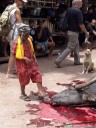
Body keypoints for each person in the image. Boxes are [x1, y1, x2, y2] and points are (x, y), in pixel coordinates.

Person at [11, 24, 49, 101]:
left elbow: (32, 51)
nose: (27, 36)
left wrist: (35, 59)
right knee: (23, 78)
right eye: (25, 35)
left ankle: (41, 92)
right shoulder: (16, 43)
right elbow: (14, 54)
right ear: (20, 34)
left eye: (28, 34)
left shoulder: (28, 40)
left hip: (31, 61)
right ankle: (23, 94)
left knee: (37, 74)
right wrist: (24, 58)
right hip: (22, 64)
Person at [55, 0, 89, 68]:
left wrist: (64, 31)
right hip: (74, 32)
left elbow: (65, 21)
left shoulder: (69, 10)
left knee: (76, 46)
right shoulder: (78, 11)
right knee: (70, 47)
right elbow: (81, 24)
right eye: (81, 2)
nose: (82, 3)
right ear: (77, 3)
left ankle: (77, 61)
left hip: (70, 31)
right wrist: (86, 32)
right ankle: (58, 60)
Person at [6, 0, 27, 78]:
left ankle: (15, 69)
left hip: (8, 32)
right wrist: (27, 35)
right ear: (17, 0)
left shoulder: (8, 7)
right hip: (14, 34)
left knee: (14, 51)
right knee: (13, 53)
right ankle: (8, 73)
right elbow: (20, 23)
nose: (23, 3)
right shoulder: (17, 10)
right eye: (22, 1)